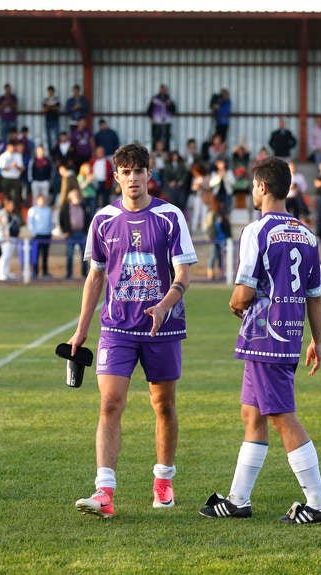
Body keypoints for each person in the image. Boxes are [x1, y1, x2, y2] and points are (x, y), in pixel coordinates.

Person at [199, 156, 321, 525]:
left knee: (281, 416)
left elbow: (243, 294)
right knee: (252, 414)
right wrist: (316, 341)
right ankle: (238, 499)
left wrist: (234, 303)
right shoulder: (307, 234)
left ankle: (319, 503)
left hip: (263, 336)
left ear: (260, 187)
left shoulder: (256, 231)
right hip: (289, 335)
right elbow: (315, 294)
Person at [68, 143, 197, 518]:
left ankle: (163, 481)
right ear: (116, 177)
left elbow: (184, 274)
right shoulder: (103, 220)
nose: (133, 178)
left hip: (164, 329)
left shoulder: (170, 216)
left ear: (149, 175)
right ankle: (104, 492)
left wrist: (164, 306)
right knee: (109, 404)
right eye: (126, 171)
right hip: (117, 328)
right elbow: (94, 277)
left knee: (164, 405)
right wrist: (81, 331)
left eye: (139, 171)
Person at [59, 188, 91, 279]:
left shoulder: (83, 205)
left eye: (77, 194)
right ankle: (69, 274)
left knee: (85, 256)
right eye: (74, 195)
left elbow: (88, 217)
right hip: (70, 234)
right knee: (69, 255)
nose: (76, 196)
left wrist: (87, 229)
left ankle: (84, 273)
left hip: (82, 233)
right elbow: (61, 219)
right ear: (70, 197)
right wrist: (65, 231)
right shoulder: (66, 207)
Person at [0, 197, 21, 281]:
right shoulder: (3, 212)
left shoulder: (13, 214)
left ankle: (6, 272)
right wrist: (1, 228)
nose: (12, 206)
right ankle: (1, 273)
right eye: (10, 205)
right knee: (5, 255)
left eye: (13, 205)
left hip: (13, 237)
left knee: (9, 256)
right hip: (6, 238)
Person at [26, 193, 54, 278]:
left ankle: (45, 272)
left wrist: (50, 231)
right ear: (37, 200)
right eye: (40, 200)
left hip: (46, 235)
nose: (42, 201)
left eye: (43, 200)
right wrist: (34, 233)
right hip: (37, 235)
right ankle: (35, 272)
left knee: (45, 255)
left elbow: (50, 222)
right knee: (36, 254)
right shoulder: (32, 210)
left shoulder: (48, 210)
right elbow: (30, 223)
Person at [204, 195, 231, 281]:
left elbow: (226, 226)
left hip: (221, 238)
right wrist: (210, 237)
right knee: (213, 255)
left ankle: (220, 274)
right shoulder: (211, 213)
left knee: (220, 257)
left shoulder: (221, 213)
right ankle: (210, 275)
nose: (222, 204)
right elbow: (209, 227)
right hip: (214, 238)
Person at [147, 84, 177, 151]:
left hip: (166, 121)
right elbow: (149, 110)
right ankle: (154, 150)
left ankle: (166, 150)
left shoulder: (169, 99)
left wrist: (169, 105)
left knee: (166, 137)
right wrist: (152, 117)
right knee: (155, 137)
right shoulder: (155, 99)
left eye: (164, 89)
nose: (163, 90)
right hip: (156, 121)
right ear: (160, 89)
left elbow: (173, 110)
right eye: (162, 89)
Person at [0, 141, 25, 212]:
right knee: (5, 196)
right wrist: (11, 166)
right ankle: (4, 210)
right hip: (6, 178)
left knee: (17, 196)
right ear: (8, 147)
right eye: (11, 147)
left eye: (13, 147)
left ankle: (16, 211)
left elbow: (22, 169)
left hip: (16, 178)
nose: (12, 148)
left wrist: (16, 166)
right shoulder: (3, 156)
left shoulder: (18, 156)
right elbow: (1, 169)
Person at [42, 85, 61, 153]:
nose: (50, 93)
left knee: (57, 137)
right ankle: (51, 152)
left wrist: (49, 107)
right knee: (48, 138)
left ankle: (58, 151)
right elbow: (44, 110)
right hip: (48, 120)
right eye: (49, 91)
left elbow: (57, 108)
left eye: (51, 91)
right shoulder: (45, 99)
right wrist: (52, 107)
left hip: (55, 120)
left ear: (53, 92)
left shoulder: (56, 99)